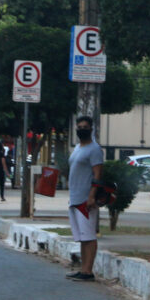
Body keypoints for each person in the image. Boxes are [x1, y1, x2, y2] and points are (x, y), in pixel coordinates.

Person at [66, 116, 104, 282]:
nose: (81, 129)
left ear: (91, 129)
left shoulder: (94, 149)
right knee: (82, 237)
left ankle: (88, 271)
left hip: (86, 199)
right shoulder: (77, 148)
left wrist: (91, 196)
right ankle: (83, 269)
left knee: (89, 236)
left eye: (85, 127)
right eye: (79, 126)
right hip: (74, 198)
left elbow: (98, 174)